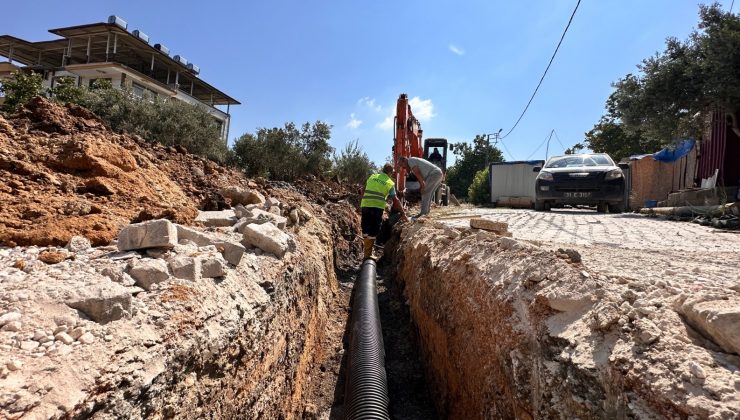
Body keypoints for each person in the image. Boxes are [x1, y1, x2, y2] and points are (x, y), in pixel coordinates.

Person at [360, 163, 407, 259]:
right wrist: (403, 213)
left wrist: (364, 200)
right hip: (376, 208)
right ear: (390, 173)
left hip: (365, 205)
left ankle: (367, 251)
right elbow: (396, 199)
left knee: (365, 228)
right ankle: (368, 254)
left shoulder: (372, 176)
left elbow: (363, 190)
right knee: (374, 230)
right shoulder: (389, 183)